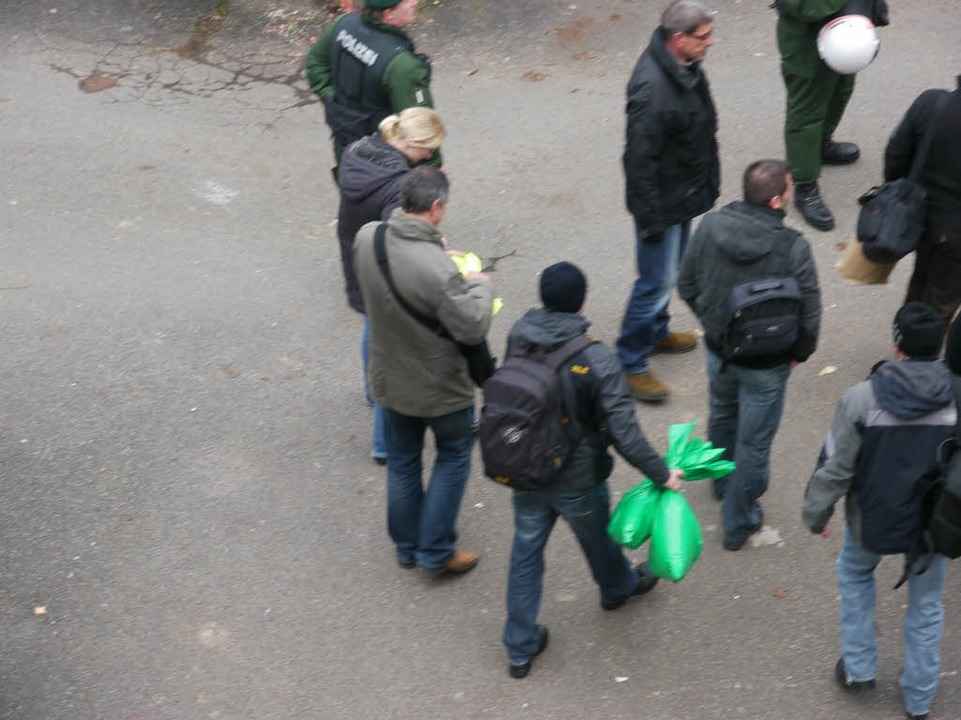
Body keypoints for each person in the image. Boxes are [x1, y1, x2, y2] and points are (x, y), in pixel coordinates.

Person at [501, 262, 683, 679]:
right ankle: (617, 589)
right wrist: (662, 474)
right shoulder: (596, 358)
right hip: (577, 475)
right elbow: (626, 434)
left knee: (526, 550)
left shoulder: (519, 334)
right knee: (598, 536)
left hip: (526, 466)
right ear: (580, 302)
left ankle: (519, 646)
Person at [803, 302, 956, 720]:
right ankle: (919, 698)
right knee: (926, 605)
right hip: (932, 524)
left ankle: (858, 669)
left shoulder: (860, 399)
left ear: (897, 346)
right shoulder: (956, 397)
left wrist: (816, 514)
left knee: (855, 575)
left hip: (871, 519)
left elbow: (835, 467)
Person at [353, 167, 492, 576]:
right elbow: (471, 324)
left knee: (402, 462)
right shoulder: (438, 270)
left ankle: (407, 545)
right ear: (435, 208)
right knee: (452, 458)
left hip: (390, 378)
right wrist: (480, 283)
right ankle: (436, 551)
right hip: (439, 388)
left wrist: (435, 251)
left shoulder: (368, 238)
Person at [679, 160, 822, 550]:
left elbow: (686, 283)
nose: (792, 195)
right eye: (790, 190)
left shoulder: (709, 227)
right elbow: (809, 313)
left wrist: (712, 323)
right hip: (768, 363)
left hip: (720, 350)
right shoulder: (793, 247)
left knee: (723, 414)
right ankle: (738, 520)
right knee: (754, 442)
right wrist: (799, 354)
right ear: (776, 200)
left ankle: (722, 482)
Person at [619, 0, 720, 403]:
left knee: (672, 272)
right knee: (654, 282)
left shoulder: (683, 66)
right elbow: (639, 161)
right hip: (660, 203)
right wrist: (650, 219)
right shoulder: (652, 88)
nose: (710, 43)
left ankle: (656, 332)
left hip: (681, 193)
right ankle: (631, 360)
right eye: (703, 37)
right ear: (678, 39)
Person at [337, 108, 446, 465]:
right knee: (393, 351)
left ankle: (371, 391)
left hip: (356, 255)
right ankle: (384, 444)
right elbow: (400, 236)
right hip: (384, 271)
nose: (429, 156)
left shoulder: (359, 150)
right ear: (412, 142)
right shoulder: (398, 186)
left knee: (371, 327)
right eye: (427, 150)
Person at [774, 0, 887, 231]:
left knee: (840, 93)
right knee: (807, 114)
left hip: (846, 33)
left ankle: (821, 146)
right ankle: (805, 185)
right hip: (807, 41)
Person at [305, 0, 437, 169]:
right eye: (407, 1)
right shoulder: (403, 66)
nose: (415, 2)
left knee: (354, 189)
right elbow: (420, 127)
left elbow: (315, 63)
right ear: (388, 14)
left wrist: (333, 101)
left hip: (346, 145)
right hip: (387, 160)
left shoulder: (344, 24)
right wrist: (432, 167)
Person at [884, 76, 961, 325]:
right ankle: (918, 352)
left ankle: (905, 341)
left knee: (921, 275)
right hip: (956, 236)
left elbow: (896, 154)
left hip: (918, 215)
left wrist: (900, 193)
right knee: (942, 296)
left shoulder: (932, 103)